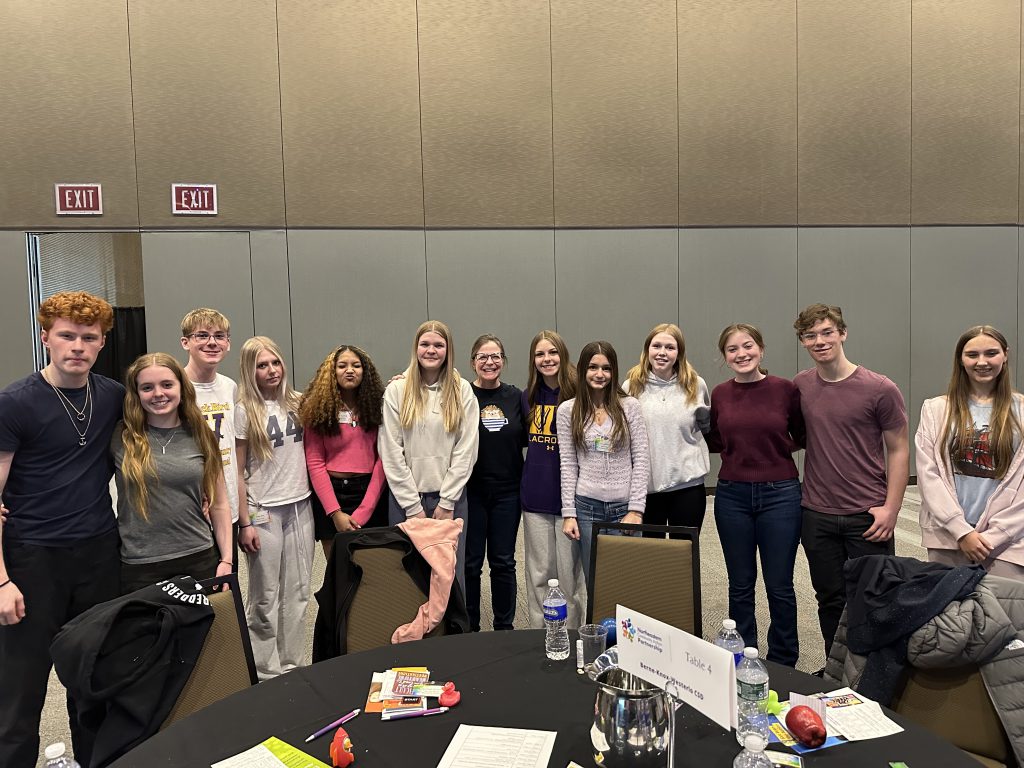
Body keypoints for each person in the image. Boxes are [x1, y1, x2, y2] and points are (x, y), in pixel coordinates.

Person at [0, 291, 123, 768]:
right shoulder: (15, 403)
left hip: (98, 553)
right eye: (67, 336)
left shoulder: (112, 396)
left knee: (93, 678)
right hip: (32, 559)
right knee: (21, 688)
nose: (78, 346)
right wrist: (2, 581)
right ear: (45, 337)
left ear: (102, 342)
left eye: (89, 338)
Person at [793, 304, 909, 660]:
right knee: (830, 599)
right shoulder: (800, 386)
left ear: (842, 333)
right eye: (810, 335)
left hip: (867, 515)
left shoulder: (880, 388)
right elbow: (791, 437)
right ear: (803, 341)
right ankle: (835, 669)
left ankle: (876, 674)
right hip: (817, 514)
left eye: (827, 332)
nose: (820, 341)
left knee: (876, 599)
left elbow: (899, 449)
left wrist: (891, 509)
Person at [707, 324, 804, 666]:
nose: (741, 354)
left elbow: (801, 435)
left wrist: (771, 452)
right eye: (732, 349)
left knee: (780, 585)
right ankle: (742, 655)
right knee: (740, 584)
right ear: (725, 357)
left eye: (747, 346)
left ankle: (783, 660)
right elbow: (715, 440)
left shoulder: (785, 389)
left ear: (761, 349)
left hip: (781, 495)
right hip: (732, 496)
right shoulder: (719, 394)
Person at [113, 353, 233, 595]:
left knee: (209, 621)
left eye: (167, 384)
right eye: (147, 387)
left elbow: (219, 503)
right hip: (140, 564)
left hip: (198, 557)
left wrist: (227, 560)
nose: (158, 393)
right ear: (136, 393)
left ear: (181, 387)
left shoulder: (201, 434)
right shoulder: (121, 436)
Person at [916, 325, 1024, 579]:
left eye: (991, 353)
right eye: (973, 355)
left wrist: (996, 535)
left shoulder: (1021, 411)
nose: (982, 362)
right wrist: (961, 531)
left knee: (1000, 606)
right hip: (948, 534)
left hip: (1009, 539)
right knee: (949, 604)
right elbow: (928, 475)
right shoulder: (935, 409)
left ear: (1005, 355)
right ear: (961, 360)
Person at [235, 336, 313, 679]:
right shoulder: (244, 410)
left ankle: (293, 665)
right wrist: (245, 522)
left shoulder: (298, 403)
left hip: (300, 507)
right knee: (265, 595)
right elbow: (236, 471)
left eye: (275, 362)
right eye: (262, 365)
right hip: (263, 512)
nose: (271, 370)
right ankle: (264, 671)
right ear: (250, 370)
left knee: (298, 592)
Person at [379, 321, 479, 590]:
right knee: (408, 579)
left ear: (448, 350)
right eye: (425, 344)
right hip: (405, 501)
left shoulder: (462, 390)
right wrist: (412, 507)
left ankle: (452, 622)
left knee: (449, 578)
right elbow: (391, 452)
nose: (431, 350)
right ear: (416, 348)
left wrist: (447, 501)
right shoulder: (397, 391)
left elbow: (466, 450)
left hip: (450, 501)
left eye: (438, 345)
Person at [558, 341, 649, 582]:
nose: (600, 374)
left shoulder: (629, 407)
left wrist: (636, 510)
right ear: (582, 370)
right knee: (596, 582)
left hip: (624, 509)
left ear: (614, 371)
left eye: (606, 368)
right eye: (593, 367)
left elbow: (641, 459)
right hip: (587, 508)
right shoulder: (568, 410)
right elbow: (568, 464)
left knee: (627, 582)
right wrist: (569, 513)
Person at [521, 331, 585, 629]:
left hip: (570, 501)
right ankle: (538, 636)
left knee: (569, 578)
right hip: (535, 498)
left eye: (552, 352)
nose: (547, 359)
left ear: (563, 354)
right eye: (540, 354)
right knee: (539, 575)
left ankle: (570, 637)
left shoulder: (580, 394)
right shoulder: (528, 396)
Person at [299, 344, 387, 560]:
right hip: (331, 496)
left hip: (370, 494)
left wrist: (364, 511)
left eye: (356, 365)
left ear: (365, 371)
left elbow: (383, 460)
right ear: (332, 371)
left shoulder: (379, 406)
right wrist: (335, 512)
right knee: (338, 569)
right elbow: (314, 462)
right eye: (342, 366)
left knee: (371, 569)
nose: (349, 370)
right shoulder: (318, 409)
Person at [625, 323, 710, 535]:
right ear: (647, 350)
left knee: (685, 552)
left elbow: (706, 426)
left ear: (679, 353)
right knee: (652, 553)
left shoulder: (696, 385)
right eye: (656, 346)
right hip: (647, 489)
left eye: (670, 347)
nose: (662, 352)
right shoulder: (631, 387)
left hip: (688, 487)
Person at [465, 334, 526, 632]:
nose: (489, 362)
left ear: (503, 360)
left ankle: (504, 628)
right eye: (483, 357)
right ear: (473, 362)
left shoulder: (516, 397)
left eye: (496, 356)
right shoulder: (462, 394)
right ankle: (470, 628)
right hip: (470, 492)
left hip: (508, 493)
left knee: (503, 562)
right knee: (470, 563)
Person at [180, 308, 240, 569]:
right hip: (192, 507)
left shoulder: (229, 386)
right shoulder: (176, 387)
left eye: (219, 336)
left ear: (228, 343)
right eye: (202, 335)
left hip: (228, 503)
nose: (212, 342)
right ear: (186, 342)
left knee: (227, 580)